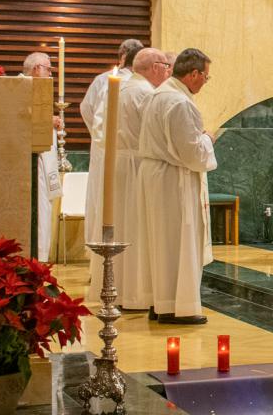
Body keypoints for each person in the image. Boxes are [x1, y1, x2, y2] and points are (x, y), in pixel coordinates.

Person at [136, 49, 216, 324]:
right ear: (193, 74)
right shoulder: (180, 102)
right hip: (173, 179)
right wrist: (208, 140)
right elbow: (192, 152)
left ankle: (161, 301)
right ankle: (178, 307)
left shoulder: (160, 94)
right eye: (205, 76)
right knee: (178, 241)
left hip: (157, 175)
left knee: (160, 242)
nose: (206, 82)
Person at [89, 48, 171, 309]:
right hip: (137, 165)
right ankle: (136, 294)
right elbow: (157, 134)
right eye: (165, 65)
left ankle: (116, 288)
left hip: (115, 164)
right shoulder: (146, 93)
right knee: (136, 228)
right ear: (154, 67)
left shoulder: (119, 88)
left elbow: (98, 126)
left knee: (119, 225)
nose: (168, 70)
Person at [81, 39, 145, 242]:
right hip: (124, 152)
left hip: (106, 148)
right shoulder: (108, 81)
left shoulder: (106, 80)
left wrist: (101, 138)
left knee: (102, 201)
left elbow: (87, 109)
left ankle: (99, 248)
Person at [21, 52, 64, 262]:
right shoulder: (21, 89)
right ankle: (37, 258)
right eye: (49, 69)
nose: (50, 73)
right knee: (38, 211)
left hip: (39, 160)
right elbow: (22, 120)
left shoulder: (35, 90)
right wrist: (49, 121)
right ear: (37, 69)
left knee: (44, 210)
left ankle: (41, 259)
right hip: (29, 163)